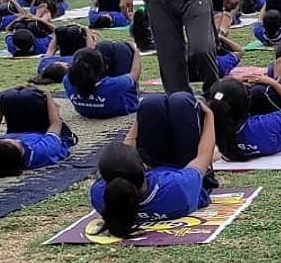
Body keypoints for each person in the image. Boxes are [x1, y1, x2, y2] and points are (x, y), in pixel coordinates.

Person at [89, 92, 217, 237]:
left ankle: (150, 107)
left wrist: (141, 116)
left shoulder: (101, 196)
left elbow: (125, 153)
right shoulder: (177, 187)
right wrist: (209, 115)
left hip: (160, 169)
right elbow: (203, 156)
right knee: (181, 101)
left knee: (151, 104)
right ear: (143, 166)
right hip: (186, 168)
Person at [203, 74, 281, 160]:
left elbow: (218, 97)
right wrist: (274, 83)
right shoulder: (261, 125)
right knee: (261, 91)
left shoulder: (213, 125)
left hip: (251, 134)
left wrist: (231, 84)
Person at [0, 85, 78, 176]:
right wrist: (47, 96)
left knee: (10, 97)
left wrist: (1, 100)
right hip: (49, 133)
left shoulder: (4, 151)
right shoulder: (43, 150)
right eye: (15, 141)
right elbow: (55, 123)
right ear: (22, 150)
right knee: (31, 97)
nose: (1, 139)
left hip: (22, 132)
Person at [64, 46, 141, 119]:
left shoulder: (68, 81)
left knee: (105, 46)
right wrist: (136, 50)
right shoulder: (115, 84)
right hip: (122, 107)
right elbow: (135, 74)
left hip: (85, 111)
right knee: (122, 48)